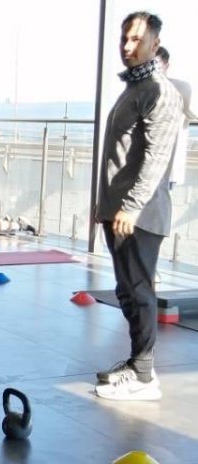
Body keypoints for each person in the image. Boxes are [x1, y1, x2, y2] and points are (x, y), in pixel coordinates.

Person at [94, 12, 182, 401]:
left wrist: (129, 207)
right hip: (118, 211)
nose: (127, 47)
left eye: (136, 40)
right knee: (127, 290)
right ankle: (135, 363)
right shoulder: (135, 87)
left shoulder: (158, 92)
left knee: (139, 289)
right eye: (124, 39)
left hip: (138, 215)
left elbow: (155, 158)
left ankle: (145, 376)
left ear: (154, 43)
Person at [156, 46, 195, 189]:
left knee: (162, 207)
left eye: (156, 64)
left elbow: (192, 112)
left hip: (168, 165)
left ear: (166, 65)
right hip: (143, 165)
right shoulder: (140, 91)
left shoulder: (179, 87)